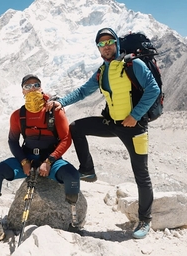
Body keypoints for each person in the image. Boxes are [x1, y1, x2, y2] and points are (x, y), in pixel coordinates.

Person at [47, 28, 160, 239]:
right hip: (112, 123)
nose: (105, 46)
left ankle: (144, 220)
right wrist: (60, 102)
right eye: (101, 44)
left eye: (109, 42)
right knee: (76, 128)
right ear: (98, 49)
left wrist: (135, 115)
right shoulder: (102, 71)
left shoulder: (133, 64)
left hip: (135, 127)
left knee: (141, 175)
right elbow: (82, 91)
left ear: (117, 43)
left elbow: (153, 90)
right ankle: (88, 170)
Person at [0, 74, 80, 245]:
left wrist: (49, 161)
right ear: (22, 91)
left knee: (72, 176)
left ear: (41, 88)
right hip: (27, 158)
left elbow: (66, 139)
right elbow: (13, 141)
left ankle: (74, 224)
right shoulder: (18, 116)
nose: (32, 88)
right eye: (28, 86)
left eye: (36, 85)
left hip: (50, 161)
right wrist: (23, 162)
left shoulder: (55, 112)